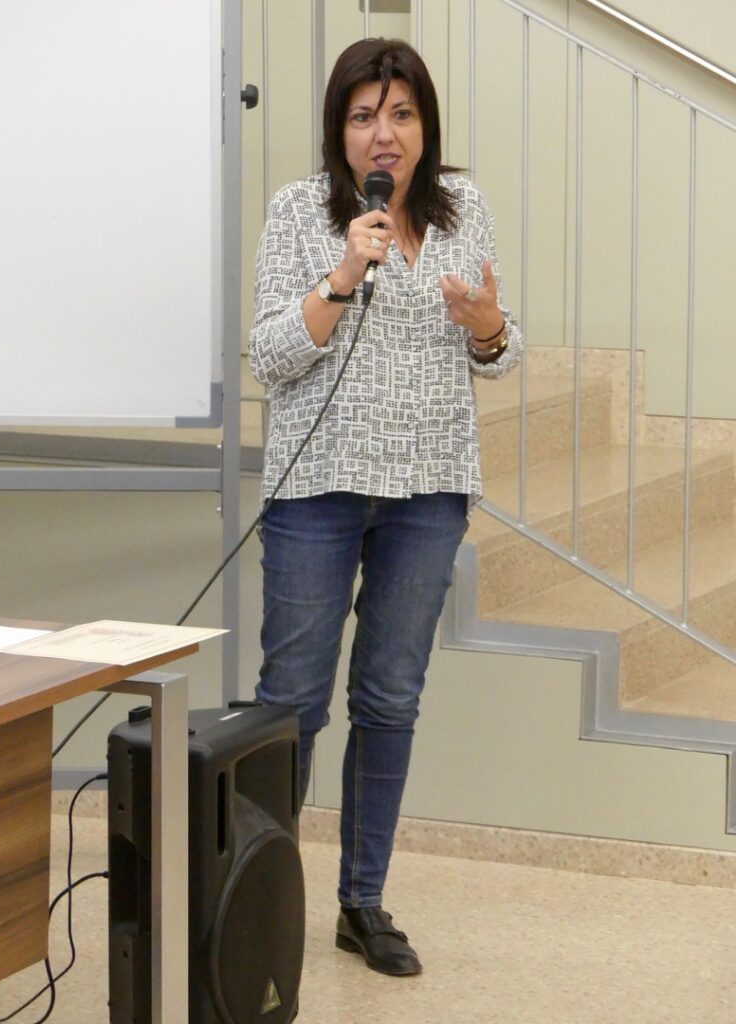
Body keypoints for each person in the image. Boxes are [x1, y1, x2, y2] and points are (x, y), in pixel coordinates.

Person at [248, 36, 522, 977]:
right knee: (291, 700)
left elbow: (500, 350)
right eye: (365, 115)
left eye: (401, 114)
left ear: (425, 126)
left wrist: (487, 327)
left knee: (390, 699)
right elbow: (271, 355)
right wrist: (341, 277)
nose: (384, 134)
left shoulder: (464, 210)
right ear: (341, 129)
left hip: (429, 489)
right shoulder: (300, 211)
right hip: (317, 489)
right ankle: (257, 900)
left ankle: (361, 902)